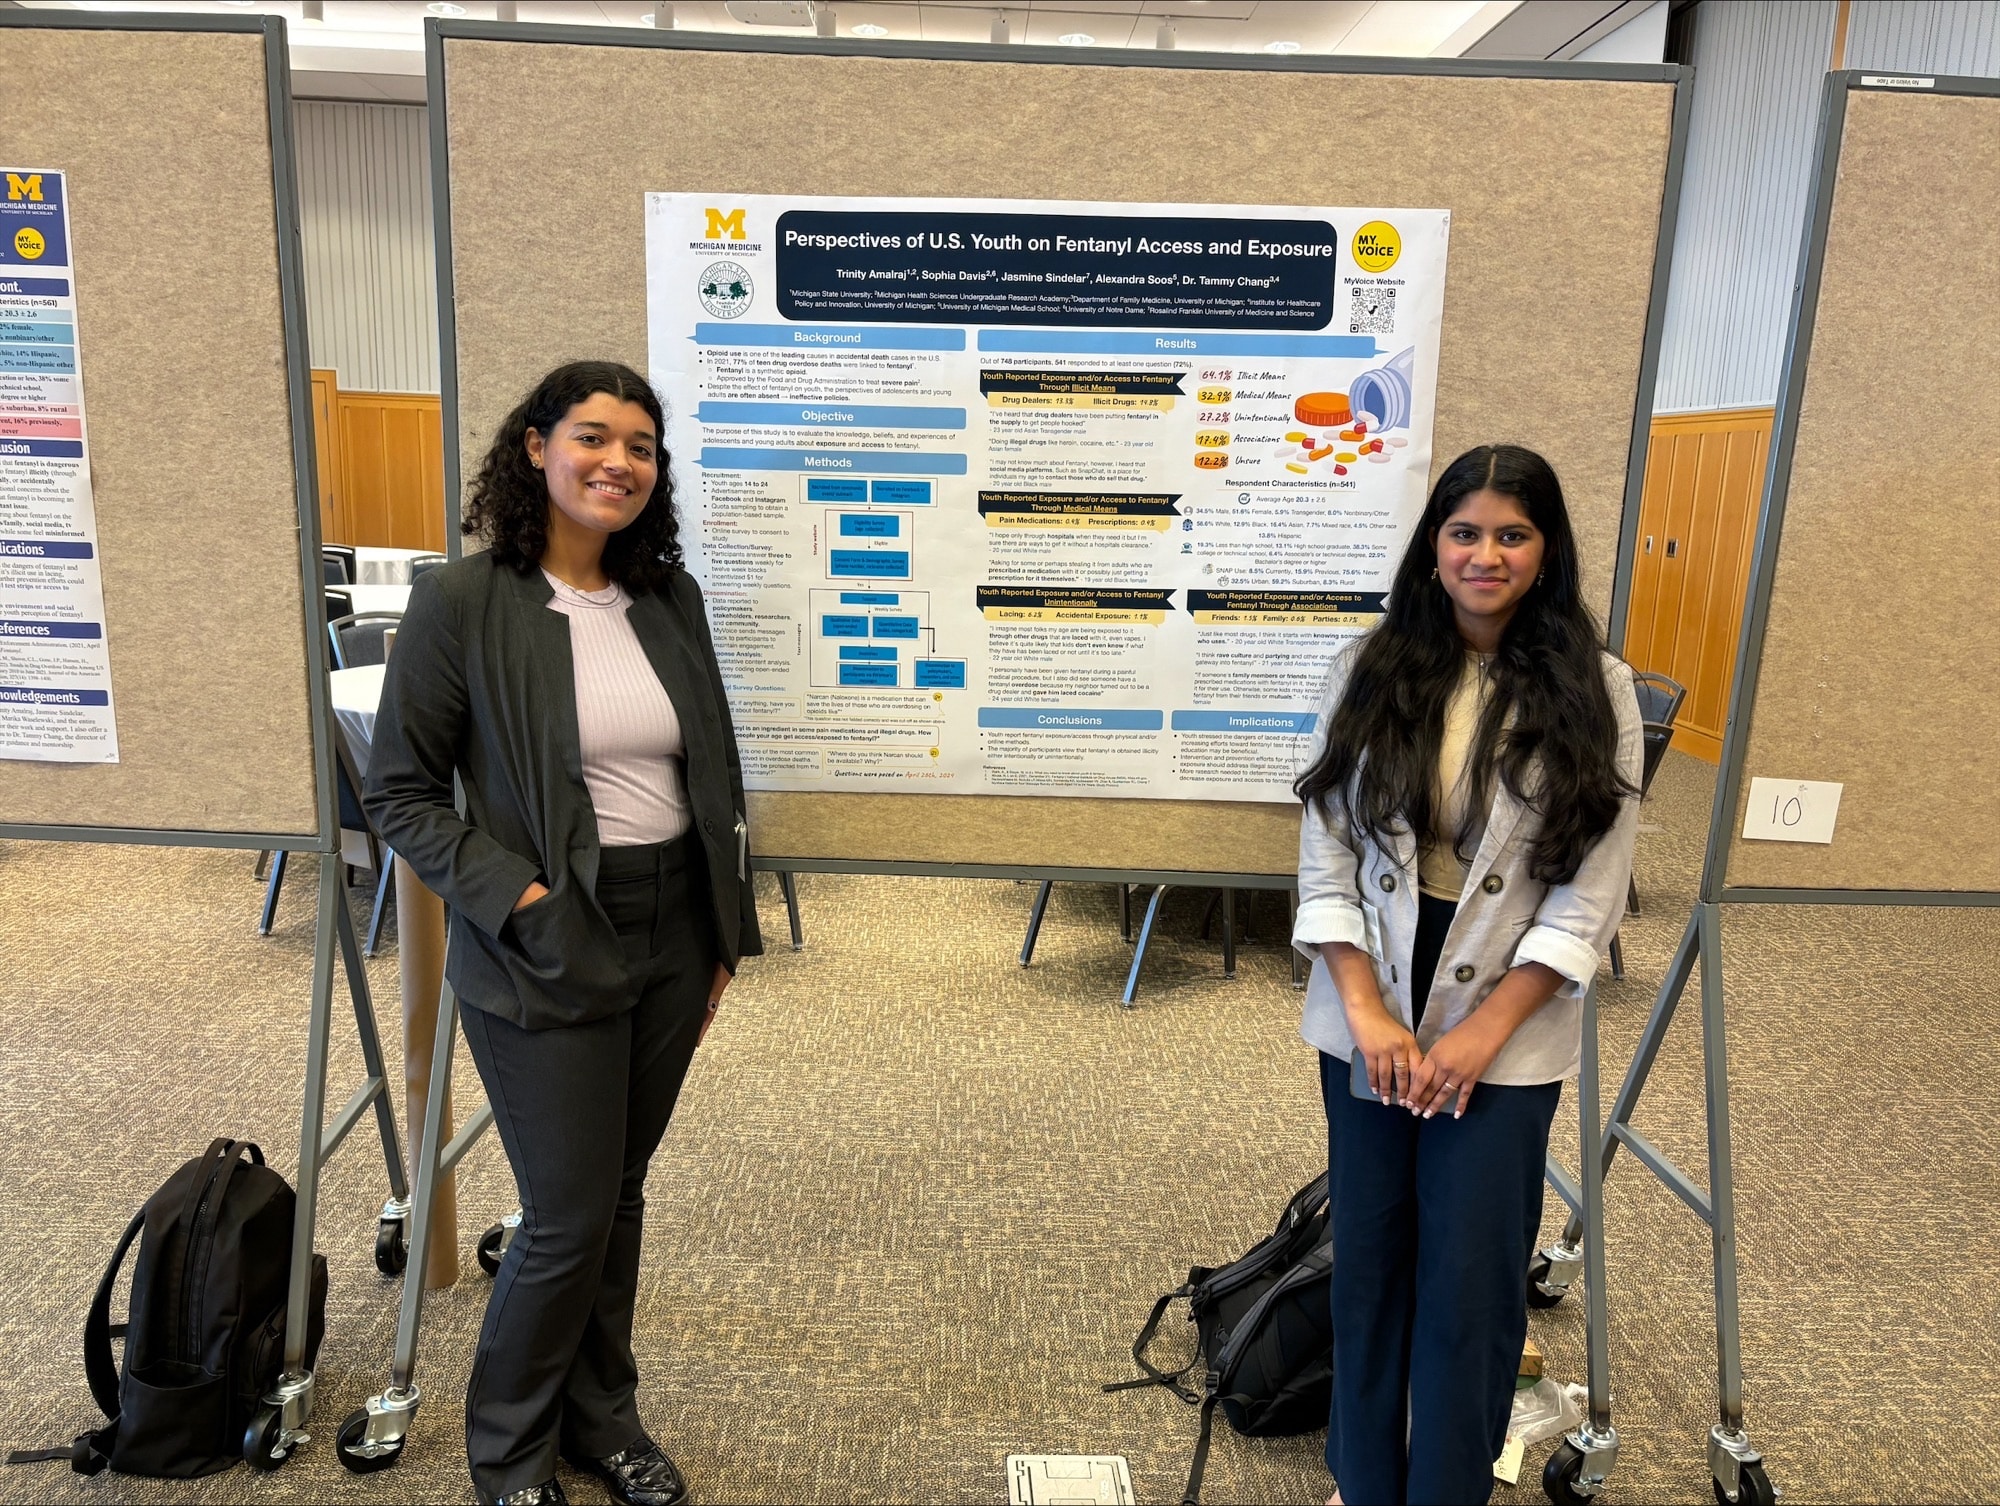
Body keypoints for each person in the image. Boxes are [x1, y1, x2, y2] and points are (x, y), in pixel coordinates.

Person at [365, 360, 762, 1506]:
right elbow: (399, 797)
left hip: (672, 925)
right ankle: (510, 1449)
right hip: (543, 933)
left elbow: (714, 771)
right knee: (566, 1213)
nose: (619, 463)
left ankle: (602, 1419)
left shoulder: (665, 597)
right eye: (594, 437)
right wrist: (524, 902)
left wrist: (722, 931)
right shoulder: (462, 604)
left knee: (619, 1191)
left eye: (641, 447)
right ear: (536, 446)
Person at [1291, 445, 1641, 1506]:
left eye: (1511, 534)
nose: (1484, 554)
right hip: (1374, 999)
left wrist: (1479, 1036)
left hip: (1511, 1013)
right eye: (1464, 532)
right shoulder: (1369, 666)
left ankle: (1444, 1488)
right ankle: (1362, 1477)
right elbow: (1326, 850)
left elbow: (1591, 893)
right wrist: (1366, 1015)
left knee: (1471, 1282)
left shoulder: (1597, 686)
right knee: (1371, 1256)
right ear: (1432, 545)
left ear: (1544, 550)